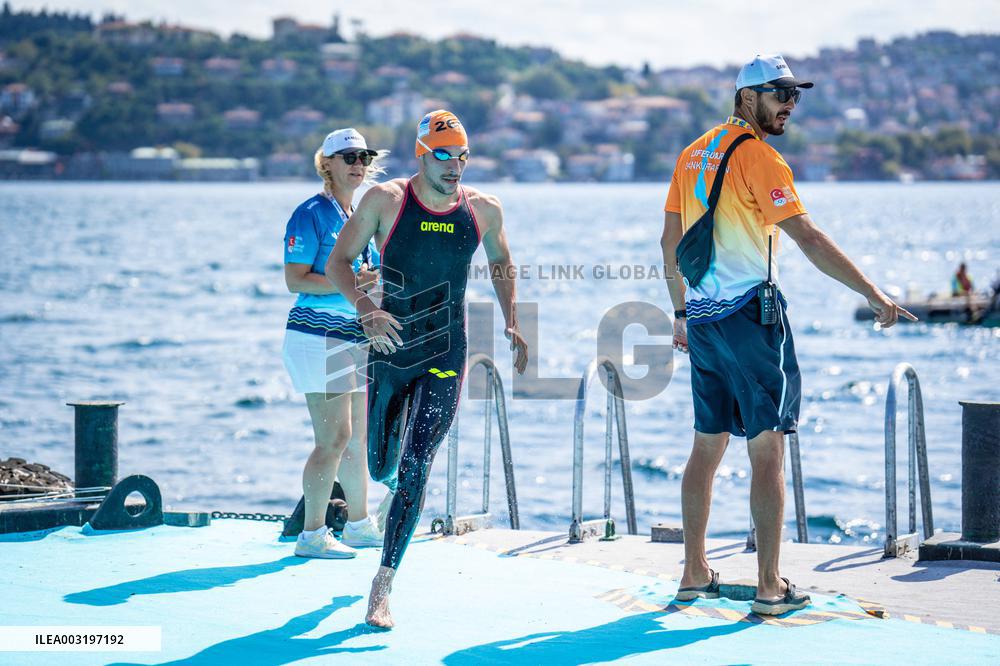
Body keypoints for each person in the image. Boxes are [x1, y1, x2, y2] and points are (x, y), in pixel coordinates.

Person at [660, 55, 916, 615]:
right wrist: (873, 293)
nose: (790, 105)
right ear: (747, 97)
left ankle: (693, 574)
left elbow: (669, 242)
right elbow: (809, 237)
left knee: (706, 445)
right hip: (751, 317)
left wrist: (681, 313)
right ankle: (770, 586)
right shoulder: (760, 158)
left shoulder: (691, 154)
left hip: (702, 319)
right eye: (780, 94)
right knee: (767, 448)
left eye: (796, 95)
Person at [327, 109, 529, 628]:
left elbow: (503, 262)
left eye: (462, 155)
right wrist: (367, 309)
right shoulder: (385, 201)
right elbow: (339, 263)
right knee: (379, 465)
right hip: (392, 346)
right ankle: (389, 485)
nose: (455, 165)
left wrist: (512, 319)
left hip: (446, 351)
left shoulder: (483, 209)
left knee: (419, 462)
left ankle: (383, 582)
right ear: (422, 154)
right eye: (444, 155)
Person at [282, 128, 392, 559]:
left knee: (359, 438)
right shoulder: (309, 213)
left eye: (363, 155)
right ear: (325, 163)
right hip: (315, 334)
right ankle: (311, 536)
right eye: (347, 156)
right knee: (334, 438)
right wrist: (348, 282)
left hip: (352, 337)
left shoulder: (359, 215)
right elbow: (295, 279)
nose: (357, 163)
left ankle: (360, 525)